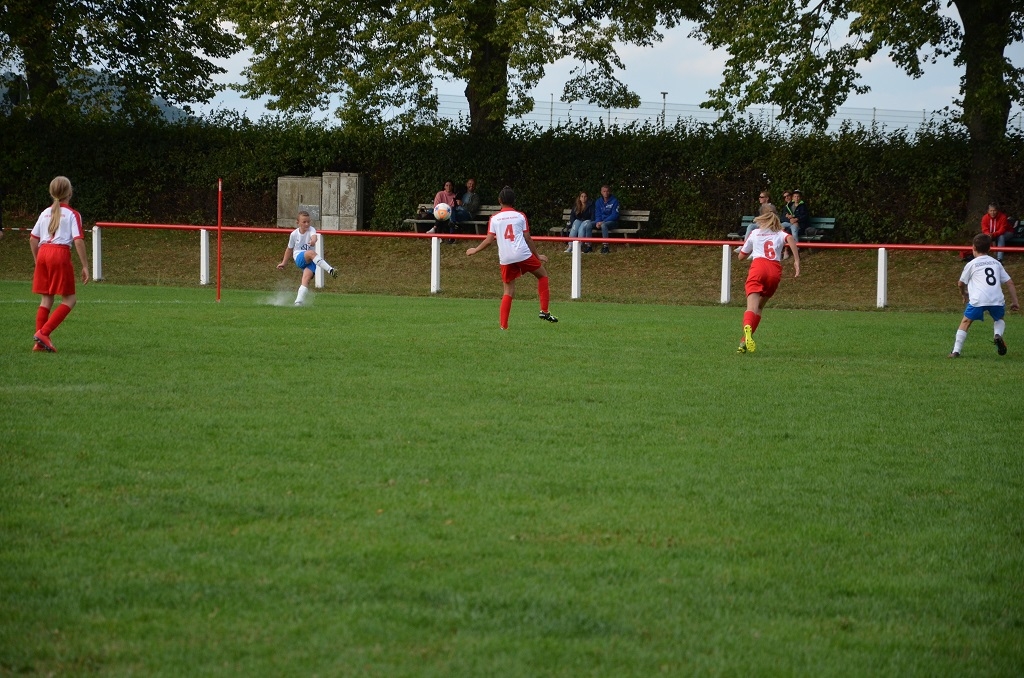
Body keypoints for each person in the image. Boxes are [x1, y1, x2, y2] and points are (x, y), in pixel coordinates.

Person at [466, 186, 558, 329]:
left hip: (506, 257)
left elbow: (489, 240)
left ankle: (503, 326)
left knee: (508, 291)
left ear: (499, 200)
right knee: (542, 275)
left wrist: (475, 250)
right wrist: (537, 255)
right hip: (522, 253)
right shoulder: (520, 216)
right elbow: (528, 238)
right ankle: (544, 311)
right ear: (514, 201)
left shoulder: (494, 218)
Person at [29, 176, 90, 352]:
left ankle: (39, 344)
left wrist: (38, 261)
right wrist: (85, 266)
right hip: (59, 253)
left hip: (43, 253)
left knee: (46, 298)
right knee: (70, 299)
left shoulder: (44, 213)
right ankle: (43, 333)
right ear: (69, 192)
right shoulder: (72, 214)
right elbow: (78, 240)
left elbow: (33, 239)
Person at [736, 211, 800, 353]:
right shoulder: (780, 233)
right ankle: (743, 342)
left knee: (751, 308)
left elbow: (741, 257)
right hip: (774, 271)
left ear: (762, 221)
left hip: (758, 268)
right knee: (759, 307)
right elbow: (790, 238)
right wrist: (796, 261)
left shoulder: (755, 233)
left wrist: (745, 250)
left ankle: (747, 327)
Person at [949, 233, 1020, 358]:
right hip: (996, 299)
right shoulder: (996, 263)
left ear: (973, 248)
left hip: (978, 299)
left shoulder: (971, 264)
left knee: (966, 322)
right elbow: (1009, 282)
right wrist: (1015, 302)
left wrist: (963, 294)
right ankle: (997, 335)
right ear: (990, 248)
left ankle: (956, 351)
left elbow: (960, 283)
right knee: (999, 319)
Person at [276, 210, 338, 306]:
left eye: (308, 222)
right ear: (298, 223)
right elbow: (289, 249)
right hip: (299, 258)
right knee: (311, 253)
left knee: (306, 279)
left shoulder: (311, 229)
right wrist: (284, 262)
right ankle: (330, 270)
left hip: (311, 260)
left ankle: (298, 302)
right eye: (304, 222)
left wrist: (313, 241)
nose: (307, 224)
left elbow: (314, 237)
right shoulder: (294, 234)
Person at [593, 185, 620, 254]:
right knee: (588, 225)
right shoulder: (598, 201)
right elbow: (597, 214)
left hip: (612, 222)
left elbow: (615, 215)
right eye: (604, 191)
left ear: (610, 192)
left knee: (604, 225)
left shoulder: (615, 201)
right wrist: (597, 222)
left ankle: (605, 247)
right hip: (601, 221)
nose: (606, 193)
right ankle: (588, 246)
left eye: (607, 191)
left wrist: (603, 222)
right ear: (601, 192)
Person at [784, 189, 809, 258]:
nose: (796, 198)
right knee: (780, 227)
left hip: (799, 225)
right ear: (792, 197)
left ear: (800, 198)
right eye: (795, 196)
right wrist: (788, 217)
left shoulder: (803, 206)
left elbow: (805, 216)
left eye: (798, 196)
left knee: (794, 231)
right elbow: (784, 215)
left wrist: (796, 219)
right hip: (790, 223)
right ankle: (780, 249)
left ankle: (797, 249)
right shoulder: (790, 205)